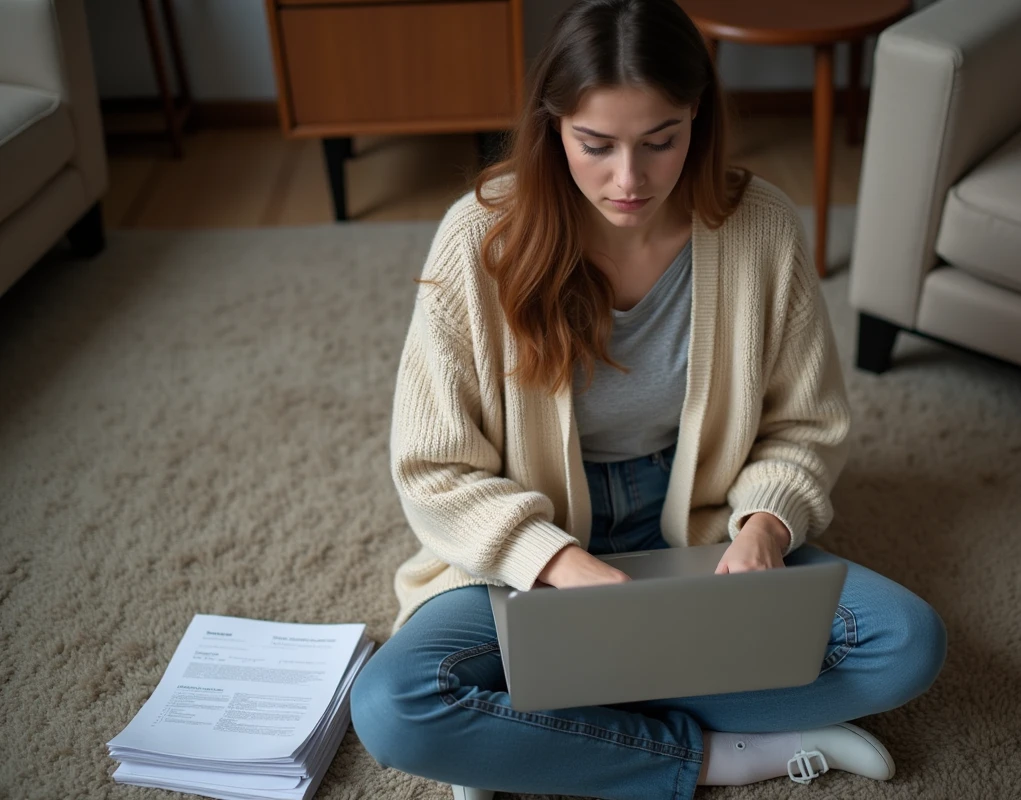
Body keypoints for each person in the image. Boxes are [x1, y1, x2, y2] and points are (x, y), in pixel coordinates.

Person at [349, 1, 946, 797]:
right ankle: (720, 753)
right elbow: (432, 469)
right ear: (553, 127)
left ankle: (531, 731)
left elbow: (806, 423)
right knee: (394, 709)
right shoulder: (480, 238)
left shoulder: (760, 227)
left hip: (699, 513)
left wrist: (766, 526)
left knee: (907, 644)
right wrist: (558, 563)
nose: (629, 180)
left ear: (697, 116)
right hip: (532, 532)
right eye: (595, 145)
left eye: (660, 141)